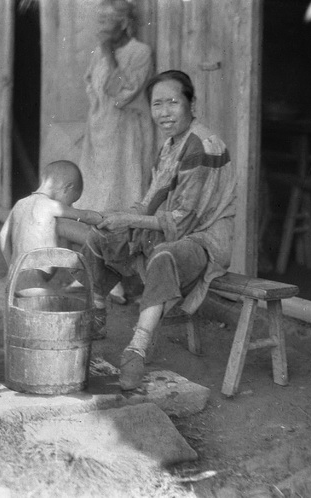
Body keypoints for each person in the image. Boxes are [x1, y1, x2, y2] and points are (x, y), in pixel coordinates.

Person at [82, 70, 237, 389]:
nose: (164, 113)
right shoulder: (170, 145)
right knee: (100, 236)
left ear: (192, 103)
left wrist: (130, 221)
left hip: (205, 238)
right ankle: (97, 314)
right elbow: (151, 201)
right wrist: (117, 218)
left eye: (172, 103)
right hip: (176, 230)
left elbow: (182, 220)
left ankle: (137, 348)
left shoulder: (202, 145)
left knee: (164, 255)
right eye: (157, 105)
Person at [74, 0, 155, 305]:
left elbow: (118, 93)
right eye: (100, 21)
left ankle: (116, 279)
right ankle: (101, 276)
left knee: (119, 202)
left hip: (125, 137)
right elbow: (91, 86)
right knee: (97, 202)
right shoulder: (100, 51)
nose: (101, 28)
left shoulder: (139, 53)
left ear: (123, 23)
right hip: (100, 131)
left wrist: (108, 54)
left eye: (108, 22)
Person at [0, 160, 103, 283]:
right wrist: (106, 219)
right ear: (67, 188)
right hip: (36, 279)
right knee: (58, 302)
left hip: (16, 277)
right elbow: (85, 215)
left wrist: (11, 266)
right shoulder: (52, 206)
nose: (71, 205)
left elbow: (2, 235)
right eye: (71, 201)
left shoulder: (20, 203)